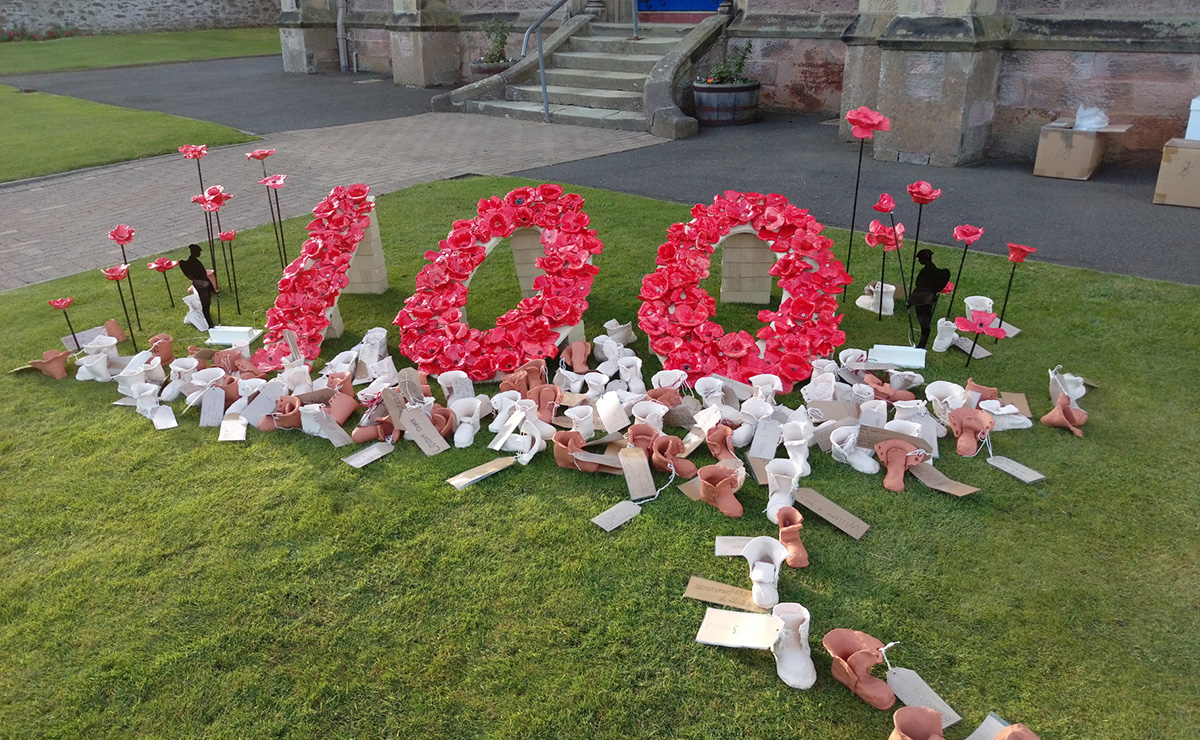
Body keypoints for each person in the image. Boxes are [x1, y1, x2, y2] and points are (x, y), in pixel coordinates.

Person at [908, 249, 950, 349]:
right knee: (923, 321)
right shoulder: (929, 269)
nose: (918, 261)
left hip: (924, 299)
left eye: (919, 259)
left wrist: (911, 300)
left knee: (924, 321)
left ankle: (923, 343)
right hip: (925, 297)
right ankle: (922, 342)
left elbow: (919, 287)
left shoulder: (928, 271)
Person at [178, 243, 218, 328]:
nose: (200, 254)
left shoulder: (196, 261)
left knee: (207, 303)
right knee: (205, 304)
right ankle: (209, 324)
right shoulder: (192, 263)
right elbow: (198, 275)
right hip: (201, 285)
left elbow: (205, 276)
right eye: (199, 252)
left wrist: (213, 289)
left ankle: (209, 323)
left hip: (204, 283)